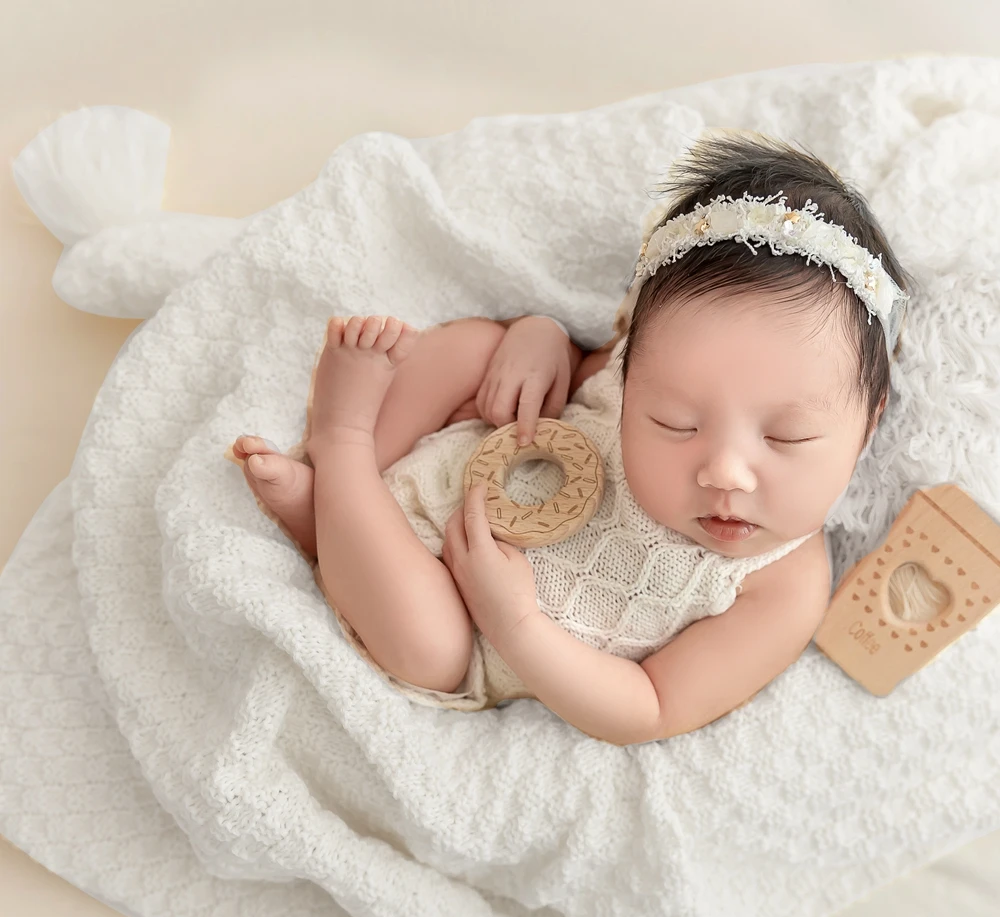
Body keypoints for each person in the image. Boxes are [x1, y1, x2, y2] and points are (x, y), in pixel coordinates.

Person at [228, 131, 909, 745]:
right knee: (479, 347)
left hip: (466, 618)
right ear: (634, 370)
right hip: (452, 468)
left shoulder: (785, 587)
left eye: (786, 438)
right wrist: (539, 339)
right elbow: (580, 369)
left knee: (426, 649)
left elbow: (652, 707)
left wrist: (515, 624)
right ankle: (351, 487)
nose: (725, 471)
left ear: (867, 422)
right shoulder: (628, 370)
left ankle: (341, 450)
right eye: (674, 422)